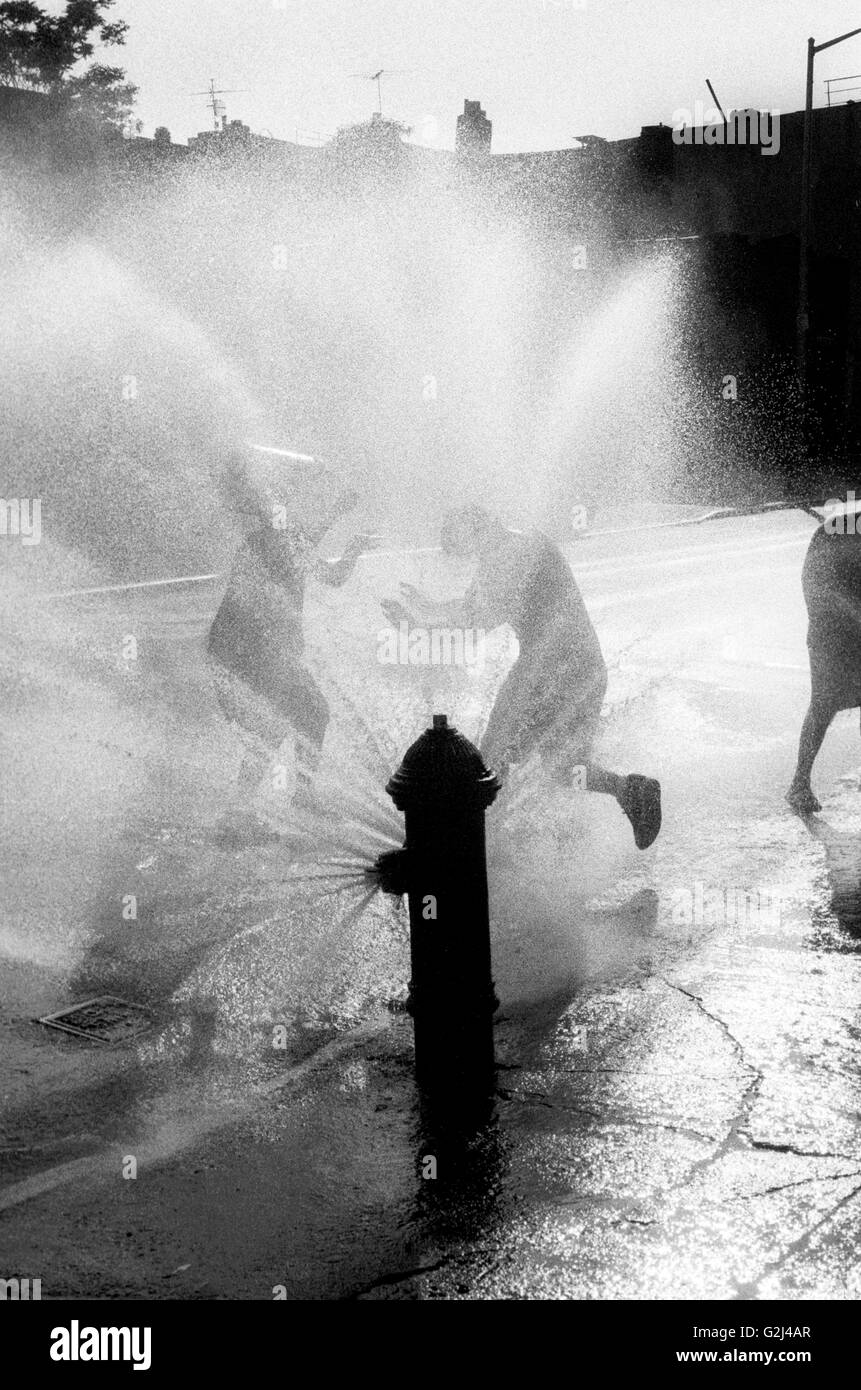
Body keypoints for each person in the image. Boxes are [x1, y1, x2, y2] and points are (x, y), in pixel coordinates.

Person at [384, 505, 661, 849]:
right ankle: (631, 790)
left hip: (547, 671)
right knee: (564, 769)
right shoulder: (517, 548)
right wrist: (427, 610)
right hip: (585, 669)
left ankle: (468, 841)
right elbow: (472, 607)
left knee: (493, 756)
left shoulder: (508, 558)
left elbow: (475, 622)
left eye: (459, 542)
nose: (461, 553)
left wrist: (418, 625)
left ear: (477, 529)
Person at [208, 458, 375, 841]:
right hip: (251, 654)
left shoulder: (284, 538)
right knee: (277, 726)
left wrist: (352, 543)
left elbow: (329, 574)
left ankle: (293, 797)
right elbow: (310, 559)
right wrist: (341, 513)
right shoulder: (266, 543)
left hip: (263, 653)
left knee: (307, 715)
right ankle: (242, 813)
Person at [787, 514, 861, 814]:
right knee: (824, 704)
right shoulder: (833, 532)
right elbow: (814, 585)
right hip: (830, 636)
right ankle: (799, 784)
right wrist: (851, 616)